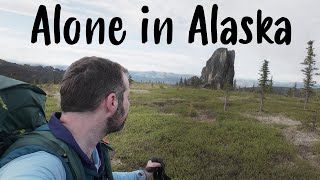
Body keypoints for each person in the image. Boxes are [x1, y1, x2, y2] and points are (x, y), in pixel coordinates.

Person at [0, 57, 161, 179]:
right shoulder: (42, 165)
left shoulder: (89, 147)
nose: (129, 103)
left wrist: (142, 175)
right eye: (127, 96)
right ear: (112, 102)